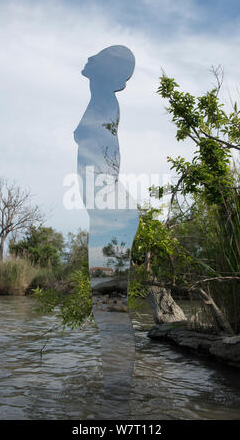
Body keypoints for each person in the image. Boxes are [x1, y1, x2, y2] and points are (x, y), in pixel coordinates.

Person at [74, 45, 139, 418]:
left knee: (110, 311)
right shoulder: (100, 103)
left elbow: (107, 165)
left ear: (106, 70)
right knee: (108, 311)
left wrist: (104, 208)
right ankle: (114, 402)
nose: (88, 57)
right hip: (107, 215)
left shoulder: (105, 105)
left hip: (110, 215)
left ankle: (115, 406)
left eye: (96, 55)